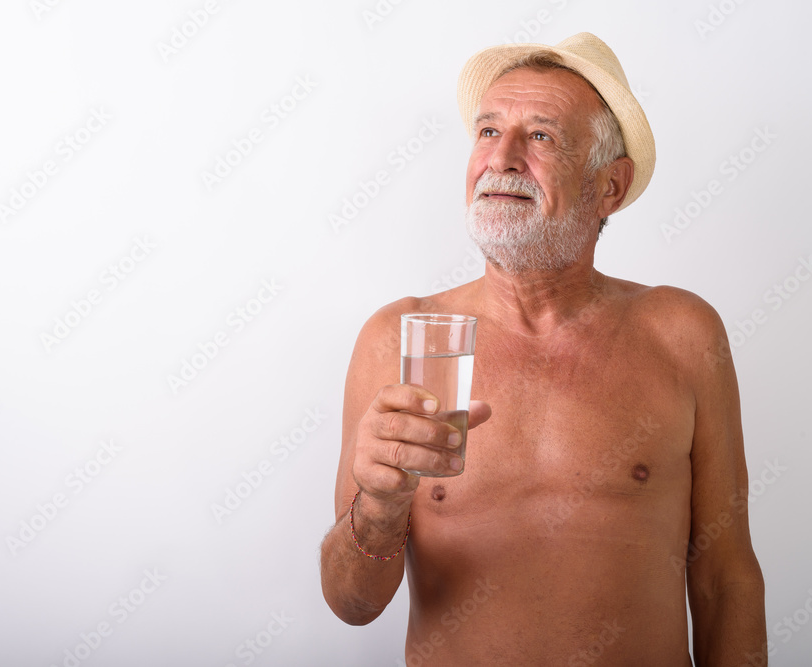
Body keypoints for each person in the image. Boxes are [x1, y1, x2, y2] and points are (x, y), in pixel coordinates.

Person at [319, 32, 766, 666]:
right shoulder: (399, 339)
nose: (500, 158)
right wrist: (380, 508)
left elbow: (727, 580)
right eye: (487, 131)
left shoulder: (683, 333)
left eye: (541, 136)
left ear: (609, 186)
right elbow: (351, 604)